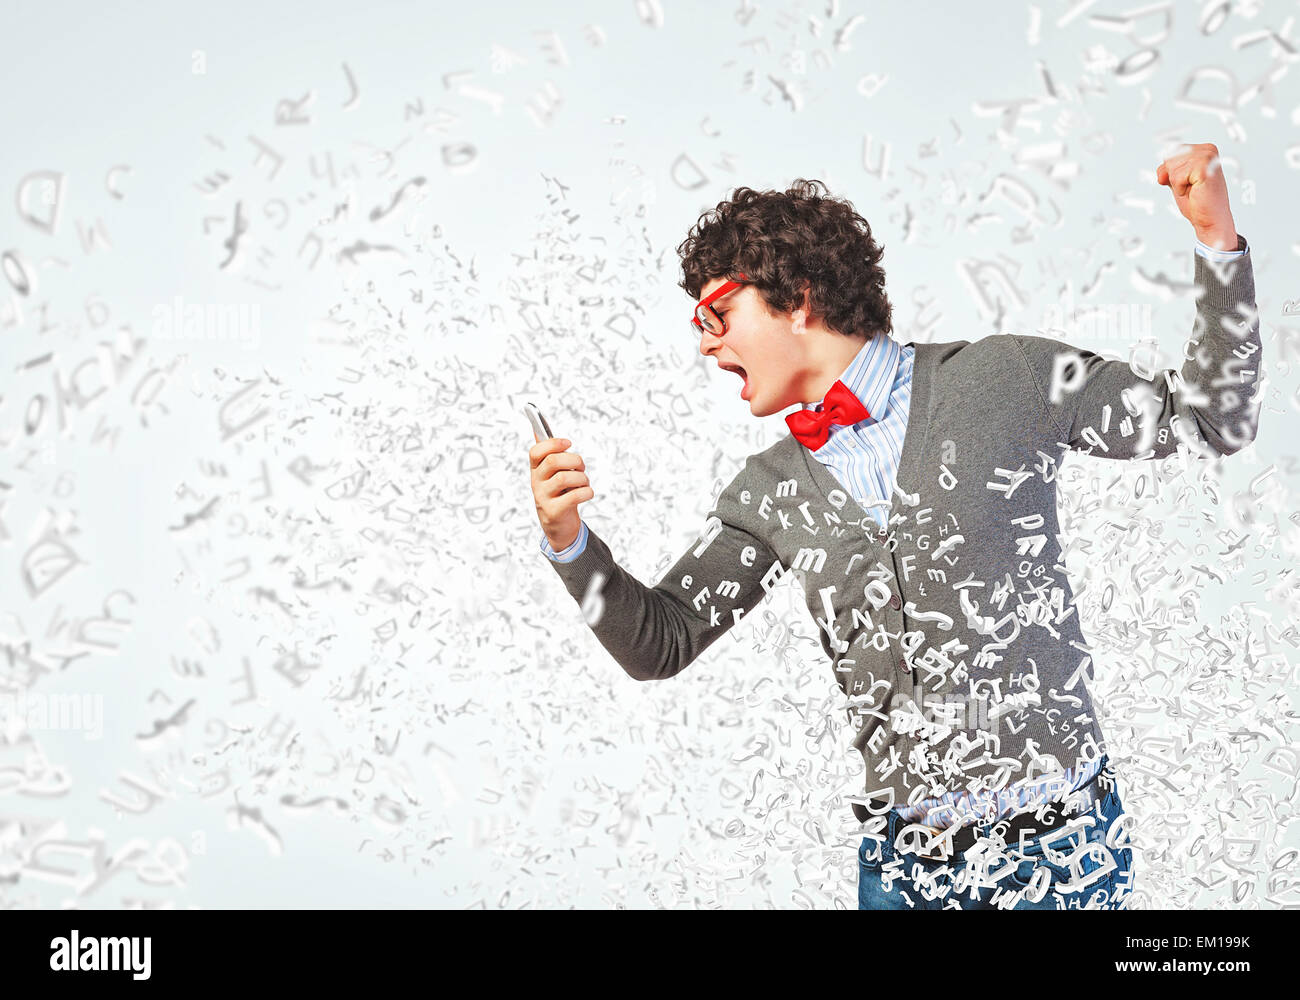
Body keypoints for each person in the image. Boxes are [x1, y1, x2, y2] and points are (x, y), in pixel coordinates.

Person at [527, 142, 1259, 909]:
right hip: (904, 873)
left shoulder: (1007, 378)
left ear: (797, 298)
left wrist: (1218, 243)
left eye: (718, 313)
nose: (705, 339)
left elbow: (1209, 419)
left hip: (1062, 851)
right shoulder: (770, 489)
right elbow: (659, 641)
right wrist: (568, 540)